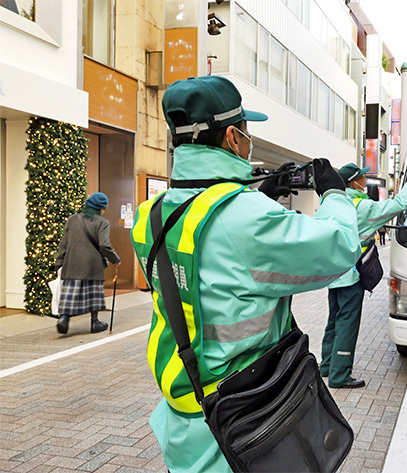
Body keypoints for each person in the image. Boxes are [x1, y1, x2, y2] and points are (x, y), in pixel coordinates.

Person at [130, 75, 360, 473]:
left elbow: (214, 261)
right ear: (234, 138)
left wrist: (253, 195)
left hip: (187, 413)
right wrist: (335, 193)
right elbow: (339, 248)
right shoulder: (246, 219)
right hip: (246, 418)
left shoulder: (151, 214)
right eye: (247, 132)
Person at [320, 163, 407, 389]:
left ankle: (327, 366)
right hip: (351, 274)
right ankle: (340, 375)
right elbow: (396, 205)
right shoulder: (361, 206)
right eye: (363, 177)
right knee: (347, 323)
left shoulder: (330, 204)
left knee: (333, 320)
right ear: (353, 183)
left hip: (332, 274)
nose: (366, 181)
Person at [54, 192, 121, 334]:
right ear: (101, 208)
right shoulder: (102, 222)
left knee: (70, 291)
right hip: (93, 264)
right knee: (93, 292)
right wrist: (115, 259)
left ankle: (64, 319)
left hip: (72, 262)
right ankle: (95, 322)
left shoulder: (72, 220)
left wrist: (59, 261)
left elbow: (63, 243)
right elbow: (104, 245)